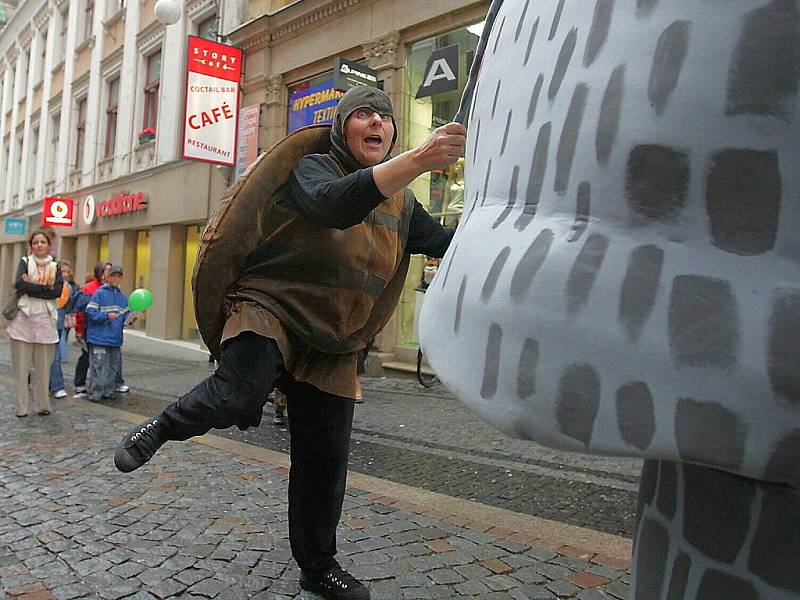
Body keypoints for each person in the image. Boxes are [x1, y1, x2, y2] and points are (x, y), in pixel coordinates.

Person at [114, 86, 466, 600]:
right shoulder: (313, 168)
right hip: (271, 307)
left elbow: (446, 245)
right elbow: (333, 206)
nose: (377, 123)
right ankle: (164, 424)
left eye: (385, 117)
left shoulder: (404, 204)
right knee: (237, 394)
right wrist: (419, 158)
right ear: (343, 127)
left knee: (326, 461)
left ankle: (317, 566)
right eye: (363, 114)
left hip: (334, 339)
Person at [6, 230, 64, 417]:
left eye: (42, 242)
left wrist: (34, 287)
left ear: (49, 245)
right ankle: (21, 407)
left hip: (45, 321)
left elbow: (56, 291)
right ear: (31, 245)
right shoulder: (25, 262)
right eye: (36, 242)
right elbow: (20, 285)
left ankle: (42, 405)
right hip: (23, 321)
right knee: (21, 370)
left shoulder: (55, 266)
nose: (39, 245)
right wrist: (43, 288)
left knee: (43, 369)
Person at [85, 265, 128, 402]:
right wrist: (105, 317)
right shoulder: (100, 293)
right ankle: (95, 393)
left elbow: (124, 317)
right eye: (113, 275)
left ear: (121, 278)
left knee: (113, 366)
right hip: (99, 338)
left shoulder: (122, 297)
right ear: (107, 277)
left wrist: (132, 318)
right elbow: (90, 312)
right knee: (99, 366)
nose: (115, 278)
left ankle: (108, 391)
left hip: (115, 339)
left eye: (118, 276)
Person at [72, 263, 109, 397]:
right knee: (87, 356)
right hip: (90, 328)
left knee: (104, 358)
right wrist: (79, 330)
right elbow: (81, 311)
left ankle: (102, 384)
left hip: (106, 330)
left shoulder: (111, 289)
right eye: (106, 271)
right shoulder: (89, 289)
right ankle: (79, 383)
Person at [49, 260, 76, 399]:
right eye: (62, 271)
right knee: (50, 356)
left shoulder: (69, 288)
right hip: (46, 323)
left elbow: (68, 306)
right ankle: (55, 385)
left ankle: (54, 385)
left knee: (54, 356)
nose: (65, 274)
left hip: (59, 325)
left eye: (67, 272)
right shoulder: (50, 284)